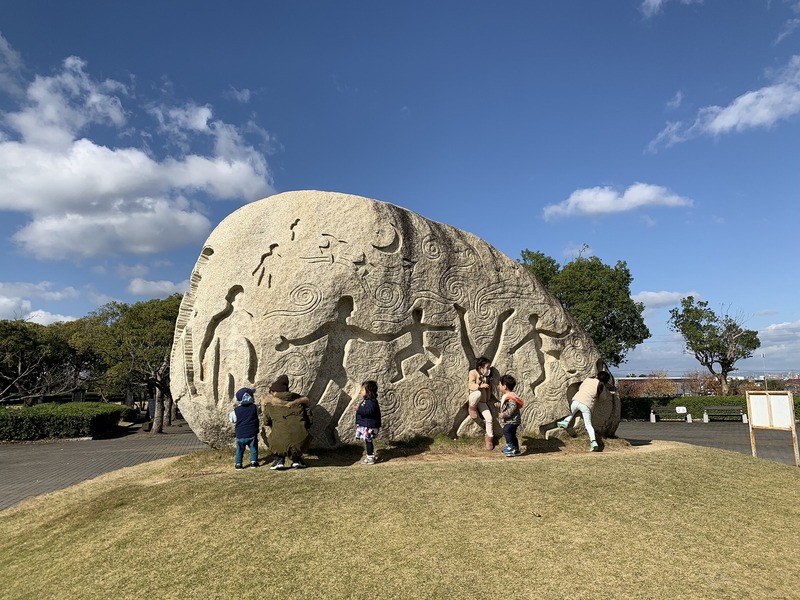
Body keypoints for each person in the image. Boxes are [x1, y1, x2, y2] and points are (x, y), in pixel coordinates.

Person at [260, 374, 312, 470]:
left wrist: (264, 408)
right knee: (295, 435)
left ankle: (279, 459)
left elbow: (266, 422)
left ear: (274, 392)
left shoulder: (270, 405)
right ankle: (297, 460)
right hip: (302, 443)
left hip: (279, 443)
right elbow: (310, 421)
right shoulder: (300, 402)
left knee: (278, 436)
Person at [557, 371, 611, 452]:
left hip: (576, 400)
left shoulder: (587, 380)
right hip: (587, 405)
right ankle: (593, 442)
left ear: (596, 375)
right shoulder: (601, 386)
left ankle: (565, 422)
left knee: (571, 413)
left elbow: (580, 388)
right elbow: (603, 398)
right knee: (588, 425)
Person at [467, 356, 497, 450]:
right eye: (487, 367)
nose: (488, 369)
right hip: (474, 397)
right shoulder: (473, 372)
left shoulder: (487, 377)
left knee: (489, 418)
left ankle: (489, 438)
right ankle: (472, 408)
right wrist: (480, 386)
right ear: (480, 367)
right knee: (477, 393)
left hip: (483, 401)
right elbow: (470, 385)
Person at [228, 387, 260, 470]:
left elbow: (232, 419)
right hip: (252, 433)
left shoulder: (236, 411)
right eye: (252, 395)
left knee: (240, 449)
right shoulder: (254, 407)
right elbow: (259, 412)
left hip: (240, 434)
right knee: (253, 448)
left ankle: (238, 464)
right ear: (249, 397)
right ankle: (254, 462)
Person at [354, 380, 381, 465]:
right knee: (367, 441)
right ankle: (369, 456)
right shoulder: (367, 401)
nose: (360, 392)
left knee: (368, 440)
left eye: (362, 390)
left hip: (370, 426)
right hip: (367, 424)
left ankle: (370, 457)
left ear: (368, 391)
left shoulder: (371, 401)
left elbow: (369, 411)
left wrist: (359, 409)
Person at [498, 374, 523, 457]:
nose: (499, 386)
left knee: (506, 430)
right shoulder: (508, 396)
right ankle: (516, 450)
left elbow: (513, 407)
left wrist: (504, 414)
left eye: (500, 384)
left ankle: (510, 446)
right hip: (513, 420)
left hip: (512, 420)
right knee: (512, 434)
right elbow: (505, 406)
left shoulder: (511, 397)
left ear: (504, 386)